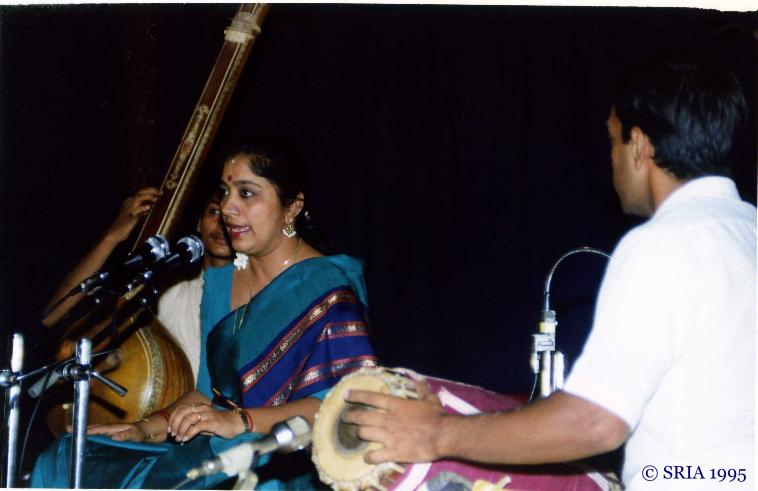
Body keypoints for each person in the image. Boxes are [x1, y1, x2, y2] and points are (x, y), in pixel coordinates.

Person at [344, 58, 755, 490]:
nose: (611, 159)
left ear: (639, 145)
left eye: (612, 141)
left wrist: (437, 433)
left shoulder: (663, 243)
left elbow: (596, 421)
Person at [32, 141, 379, 489]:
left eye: (246, 193)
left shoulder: (327, 285)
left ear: (293, 207)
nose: (228, 207)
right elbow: (207, 394)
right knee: (68, 458)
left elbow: (344, 407)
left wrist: (240, 421)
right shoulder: (220, 282)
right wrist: (143, 429)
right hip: (216, 448)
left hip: (282, 458)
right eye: (225, 192)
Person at [39, 185, 238, 398]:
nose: (222, 223)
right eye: (214, 211)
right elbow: (55, 314)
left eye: (232, 215)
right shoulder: (169, 284)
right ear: (198, 222)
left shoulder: (255, 295)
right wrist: (111, 237)